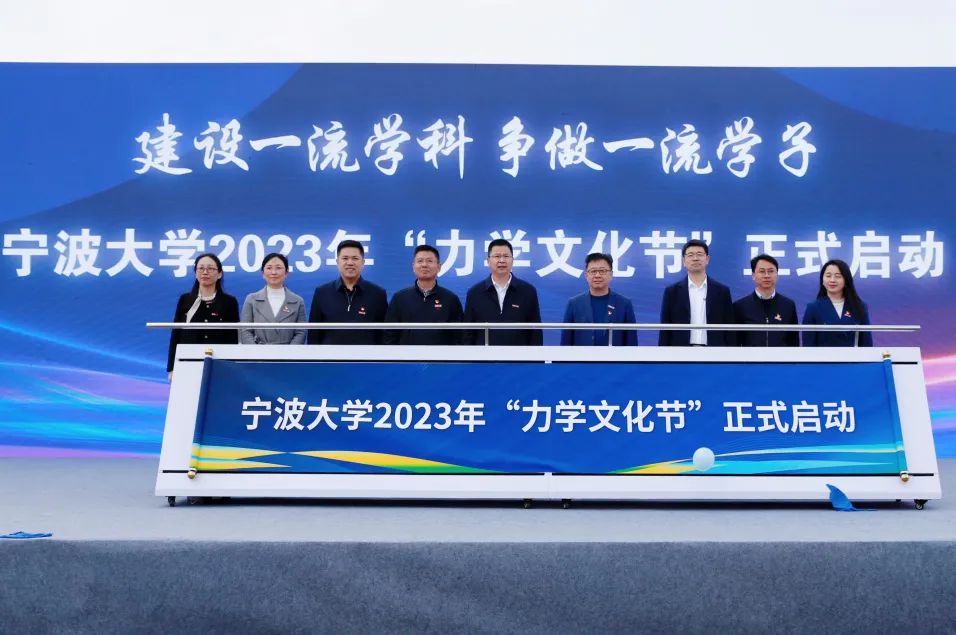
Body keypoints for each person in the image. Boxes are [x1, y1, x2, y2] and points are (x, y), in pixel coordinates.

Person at [166, 253, 239, 381]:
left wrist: (232, 366)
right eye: (201, 268)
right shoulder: (185, 300)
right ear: (195, 273)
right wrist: (172, 367)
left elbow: (233, 337)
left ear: (219, 274)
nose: (205, 272)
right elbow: (176, 334)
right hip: (188, 361)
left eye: (210, 268)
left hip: (219, 363)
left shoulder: (229, 302)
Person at [307, 239, 387, 345]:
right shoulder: (322, 292)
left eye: (355, 258)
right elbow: (313, 334)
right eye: (345, 258)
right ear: (337, 262)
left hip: (367, 354)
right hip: (330, 354)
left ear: (363, 262)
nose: (350, 263)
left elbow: (384, 333)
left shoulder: (377, 294)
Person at [463, 238, 542, 345]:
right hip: (484, 355)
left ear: (513, 260)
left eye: (506, 256)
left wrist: (535, 355)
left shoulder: (528, 291)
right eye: (497, 256)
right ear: (488, 261)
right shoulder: (475, 292)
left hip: (519, 355)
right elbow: (467, 332)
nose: (502, 260)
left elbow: (535, 331)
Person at [658, 239, 734, 346]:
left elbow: (729, 328)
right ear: (684, 261)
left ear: (707, 259)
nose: (695, 258)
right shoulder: (672, 292)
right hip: (680, 351)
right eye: (690, 255)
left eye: (699, 254)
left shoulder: (722, 291)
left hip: (715, 351)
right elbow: (665, 328)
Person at [384, 245, 464, 345]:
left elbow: (458, 335)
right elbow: (389, 334)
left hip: (440, 354)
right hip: (407, 354)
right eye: (420, 261)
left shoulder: (450, 299)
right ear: (413, 267)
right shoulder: (399, 298)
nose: (424, 265)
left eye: (429, 261)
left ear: (439, 267)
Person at [561, 252, 638, 346]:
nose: (597, 275)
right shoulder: (574, 304)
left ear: (611, 274)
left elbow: (632, 343)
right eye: (593, 271)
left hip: (614, 355)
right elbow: (565, 342)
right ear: (586, 275)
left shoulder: (624, 304)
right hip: (582, 355)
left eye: (602, 271)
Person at [802, 259, 873, 347]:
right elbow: (808, 345)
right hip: (823, 356)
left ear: (846, 280)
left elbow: (866, 343)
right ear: (822, 280)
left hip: (852, 356)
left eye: (838, 276)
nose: (832, 280)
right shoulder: (813, 308)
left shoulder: (859, 306)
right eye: (828, 276)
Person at [240, 252, 307, 345]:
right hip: (258, 352)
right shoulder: (252, 299)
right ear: (263, 273)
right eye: (269, 268)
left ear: (286, 273)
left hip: (288, 352)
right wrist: (255, 351)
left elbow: (301, 332)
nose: (274, 272)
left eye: (278, 268)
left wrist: (290, 352)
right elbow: (245, 331)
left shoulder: (297, 301)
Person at [733, 253, 799, 347]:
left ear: (777, 275)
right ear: (753, 275)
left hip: (780, 356)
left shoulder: (788, 305)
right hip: (751, 356)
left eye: (771, 271)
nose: (767, 275)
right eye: (762, 271)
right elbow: (735, 341)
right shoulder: (740, 306)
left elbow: (794, 341)